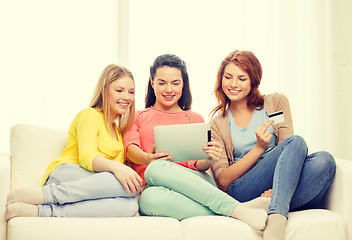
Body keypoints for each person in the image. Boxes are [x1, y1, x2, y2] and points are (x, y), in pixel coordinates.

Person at [124, 53, 270, 231]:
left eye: (175, 83)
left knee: (157, 167)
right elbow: (130, 149)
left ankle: (235, 209)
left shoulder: (195, 118)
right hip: (154, 186)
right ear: (152, 82)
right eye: (162, 83)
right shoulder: (136, 116)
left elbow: (197, 164)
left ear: (183, 84)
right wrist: (148, 158)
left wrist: (209, 158)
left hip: (198, 185)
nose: (168, 89)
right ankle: (239, 209)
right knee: (148, 199)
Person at [210, 50, 336, 240]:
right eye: (228, 77)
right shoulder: (216, 124)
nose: (233, 84)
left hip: (280, 181)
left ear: (253, 80)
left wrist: (277, 188)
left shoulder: (276, 103)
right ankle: (278, 217)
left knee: (324, 160)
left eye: (242, 78)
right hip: (244, 189)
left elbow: (291, 149)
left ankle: (275, 203)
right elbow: (224, 180)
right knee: (297, 141)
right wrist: (259, 148)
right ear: (221, 79)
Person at [6, 64, 143, 219]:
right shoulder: (90, 115)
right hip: (67, 174)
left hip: (90, 183)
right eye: (119, 90)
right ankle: (46, 195)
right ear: (104, 91)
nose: (127, 97)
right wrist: (117, 168)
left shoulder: (117, 132)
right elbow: (87, 157)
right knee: (124, 185)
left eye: (131, 92)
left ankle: (43, 211)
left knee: (130, 206)